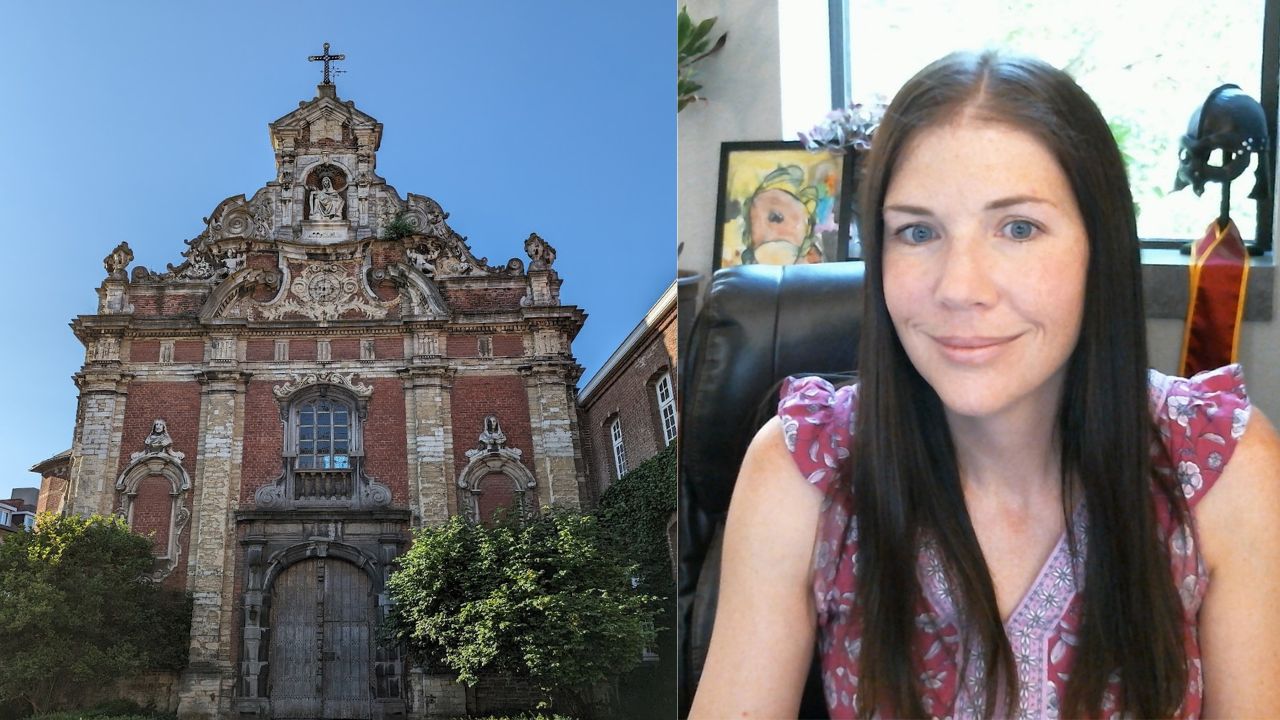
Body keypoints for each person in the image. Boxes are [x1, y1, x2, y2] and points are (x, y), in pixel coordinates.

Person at [689, 50, 1280, 719]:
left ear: (1100, 244)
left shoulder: (1222, 467)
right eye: (917, 231)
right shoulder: (805, 469)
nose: (959, 288)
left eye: (1018, 228)